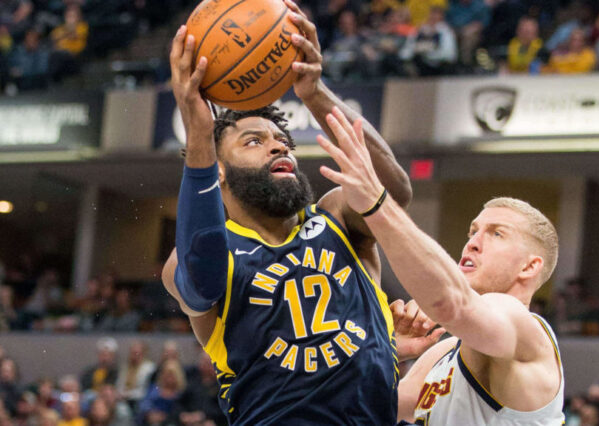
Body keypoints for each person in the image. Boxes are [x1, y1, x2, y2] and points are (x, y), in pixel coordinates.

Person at [161, 0, 412, 423]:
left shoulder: (336, 218)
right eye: (254, 141)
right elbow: (201, 278)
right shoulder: (195, 259)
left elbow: (395, 191)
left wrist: (315, 94)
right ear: (218, 172)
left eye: (282, 140)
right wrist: (200, 135)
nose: (279, 146)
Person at [314, 120, 564, 424]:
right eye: (473, 231)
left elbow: (449, 303)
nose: (472, 243)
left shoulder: (519, 323)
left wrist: (376, 205)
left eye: (496, 234)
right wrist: (386, 351)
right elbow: (362, 411)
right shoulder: (443, 351)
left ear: (529, 267)